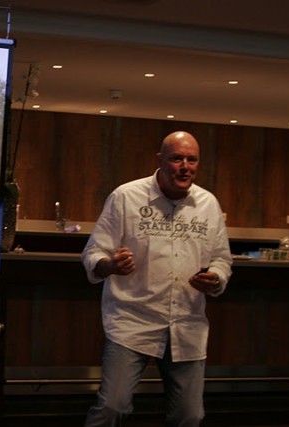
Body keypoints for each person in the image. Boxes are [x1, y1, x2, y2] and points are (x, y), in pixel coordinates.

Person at [81, 131, 232, 427]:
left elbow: (221, 258)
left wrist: (215, 277)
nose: (185, 166)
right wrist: (109, 264)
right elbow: (93, 252)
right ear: (160, 160)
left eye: (192, 159)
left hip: (187, 323)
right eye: (177, 158)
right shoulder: (126, 197)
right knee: (112, 407)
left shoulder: (208, 204)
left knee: (189, 416)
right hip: (132, 321)